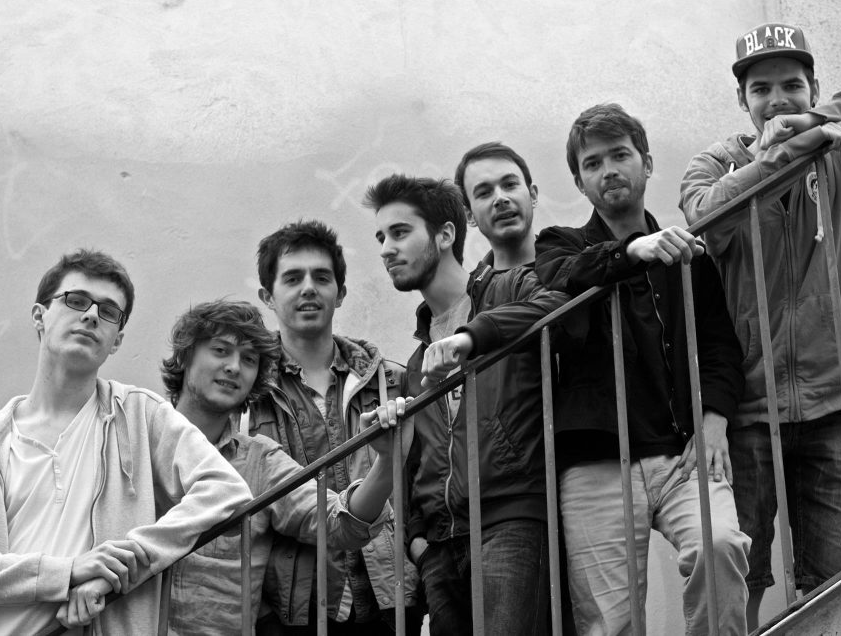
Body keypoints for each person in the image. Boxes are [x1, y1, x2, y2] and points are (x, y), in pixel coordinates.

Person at [679, 22, 841, 627]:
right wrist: (784, 155)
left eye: (792, 85)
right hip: (746, 408)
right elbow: (705, 219)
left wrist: (816, 123)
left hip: (832, 398)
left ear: (813, 86)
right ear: (742, 99)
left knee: (838, 579)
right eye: (761, 89)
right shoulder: (715, 163)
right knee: (741, 576)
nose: (777, 99)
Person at [0, 249, 253, 635]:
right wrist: (65, 572)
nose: (91, 315)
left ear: (117, 340)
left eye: (108, 311)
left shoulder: (141, 416)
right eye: (76, 300)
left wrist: (117, 570)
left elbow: (225, 490)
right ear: (39, 316)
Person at [534, 104, 750, 635]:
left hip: (683, 451)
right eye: (592, 163)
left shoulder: (689, 254)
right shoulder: (559, 244)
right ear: (579, 182)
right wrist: (633, 251)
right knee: (612, 623)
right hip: (597, 462)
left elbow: (721, 347)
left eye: (620, 155)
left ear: (647, 163)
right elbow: (563, 278)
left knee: (721, 545)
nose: (608, 170)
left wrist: (715, 420)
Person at [365, 171, 564, 636]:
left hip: (510, 522)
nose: (387, 249)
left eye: (400, 232)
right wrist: (418, 539)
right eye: (381, 238)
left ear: (445, 235)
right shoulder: (416, 362)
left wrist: (474, 336)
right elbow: (417, 459)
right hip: (440, 547)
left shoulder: (507, 289)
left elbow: (558, 302)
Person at [161, 299, 412, 635]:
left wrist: (386, 461)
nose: (234, 367)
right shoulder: (134, 440)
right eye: (220, 350)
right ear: (185, 356)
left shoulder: (259, 461)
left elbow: (341, 524)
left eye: (249, 359)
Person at [251, 220, 420, 634]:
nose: (308, 288)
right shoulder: (249, 394)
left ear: (340, 293)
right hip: (292, 610)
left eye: (321, 277)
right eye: (293, 278)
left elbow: (423, 482)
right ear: (267, 296)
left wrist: (420, 554)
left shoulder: (391, 381)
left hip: (390, 600)